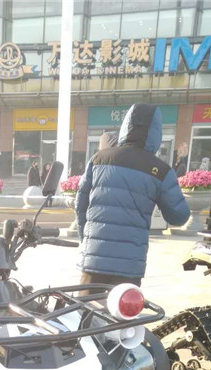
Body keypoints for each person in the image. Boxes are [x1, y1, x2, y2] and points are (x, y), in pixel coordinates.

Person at [76, 103, 190, 287]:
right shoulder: (160, 170)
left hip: (94, 259)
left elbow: (80, 204)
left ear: (126, 126)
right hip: (129, 264)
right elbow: (179, 216)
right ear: (156, 133)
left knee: (85, 305)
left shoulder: (98, 159)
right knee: (125, 305)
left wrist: (86, 239)